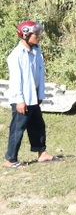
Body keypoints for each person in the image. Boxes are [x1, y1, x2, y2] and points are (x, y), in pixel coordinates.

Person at [5, 22, 58, 168]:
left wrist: (40, 94)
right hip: (21, 98)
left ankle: (42, 153)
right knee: (18, 128)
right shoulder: (16, 55)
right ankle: (11, 159)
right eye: (36, 34)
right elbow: (16, 81)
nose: (39, 37)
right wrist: (19, 101)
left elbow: (39, 74)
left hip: (33, 96)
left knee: (37, 125)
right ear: (26, 35)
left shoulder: (36, 51)